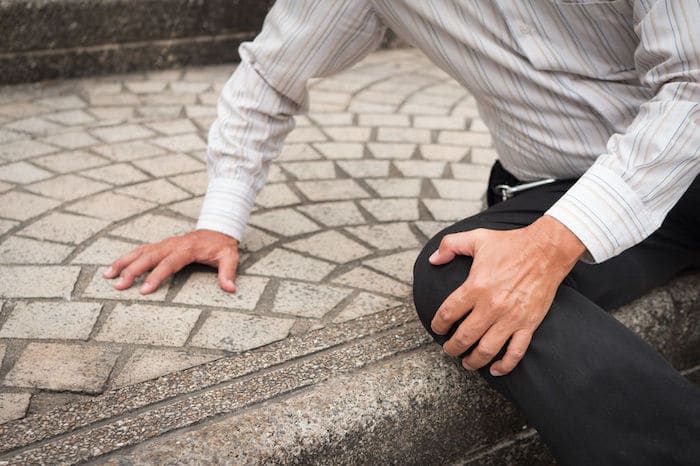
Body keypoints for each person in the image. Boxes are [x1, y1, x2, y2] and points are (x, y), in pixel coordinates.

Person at [104, 1, 700, 464]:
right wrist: (218, 220)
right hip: (556, 187)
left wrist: (555, 244)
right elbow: (270, 72)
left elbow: (692, 81)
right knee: (459, 276)